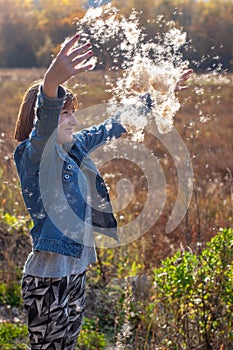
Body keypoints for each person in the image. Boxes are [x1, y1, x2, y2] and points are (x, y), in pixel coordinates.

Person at [14, 33, 192, 349]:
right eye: (64, 113)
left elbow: (114, 124)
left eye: (72, 112)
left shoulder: (77, 145)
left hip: (76, 272)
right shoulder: (34, 156)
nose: (72, 120)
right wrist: (51, 82)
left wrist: (159, 95)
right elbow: (45, 128)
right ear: (41, 117)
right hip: (48, 280)